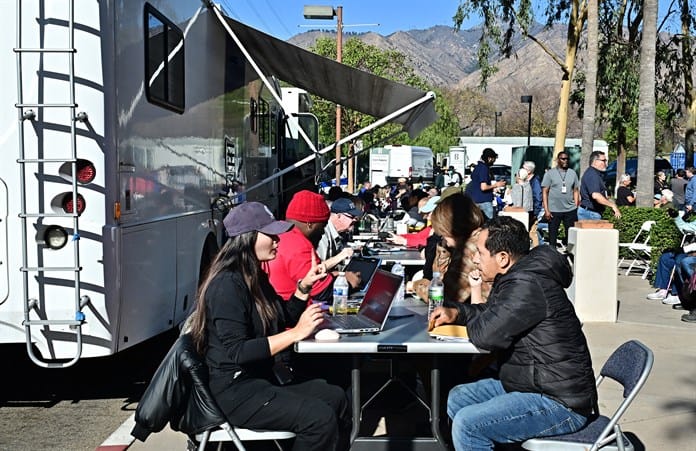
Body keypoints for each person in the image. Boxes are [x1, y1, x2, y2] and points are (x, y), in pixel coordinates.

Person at [188, 201, 351, 451]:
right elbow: (239, 352)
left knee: (336, 397)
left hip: (257, 379)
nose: (277, 240)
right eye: (270, 234)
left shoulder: (254, 275)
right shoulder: (227, 285)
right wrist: (297, 334)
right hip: (234, 390)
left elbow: (281, 316)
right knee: (319, 419)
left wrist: (303, 288)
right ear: (248, 238)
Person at [432, 216, 597, 449]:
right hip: (530, 384)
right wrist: (456, 313)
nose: (474, 258)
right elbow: (490, 312)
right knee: (459, 396)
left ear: (502, 258)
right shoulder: (518, 276)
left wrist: (471, 318)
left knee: (468, 425)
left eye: (480, 252)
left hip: (560, 402)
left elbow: (487, 336)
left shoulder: (526, 284)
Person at [267, 190, 359, 303]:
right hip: (291, 312)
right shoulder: (299, 244)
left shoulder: (279, 234)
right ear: (309, 224)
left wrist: (335, 275)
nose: (322, 232)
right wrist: (349, 282)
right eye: (322, 226)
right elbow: (321, 291)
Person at [429, 192, 485, 303]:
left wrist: (416, 286)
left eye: (444, 234)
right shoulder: (478, 238)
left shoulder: (470, 250)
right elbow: (439, 278)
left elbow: (445, 297)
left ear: (453, 228)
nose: (445, 241)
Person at [541, 151, 580, 248]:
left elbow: (575, 190)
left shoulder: (572, 173)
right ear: (558, 160)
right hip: (554, 210)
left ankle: (570, 257)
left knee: (571, 236)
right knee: (552, 237)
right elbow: (545, 192)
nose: (565, 161)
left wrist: (576, 205)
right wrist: (547, 210)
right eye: (563, 158)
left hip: (570, 209)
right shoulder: (550, 174)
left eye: (567, 158)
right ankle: (552, 257)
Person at [316, 197, 362, 270]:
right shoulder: (323, 234)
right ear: (339, 216)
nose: (355, 220)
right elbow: (318, 268)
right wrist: (342, 255)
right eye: (352, 216)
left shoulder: (337, 232)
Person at [464, 148, 507, 220]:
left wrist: (492, 188)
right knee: (488, 223)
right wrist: (496, 185)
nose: (494, 161)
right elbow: (483, 187)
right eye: (494, 159)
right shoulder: (484, 168)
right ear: (489, 158)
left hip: (473, 199)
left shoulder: (477, 167)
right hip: (483, 201)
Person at [578, 151, 621, 220]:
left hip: (591, 212)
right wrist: (612, 205)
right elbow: (596, 195)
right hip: (590, 214)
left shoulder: (596, 174)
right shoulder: (592, 175)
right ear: (595, 161)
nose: (606, 163)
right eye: (603, 160)